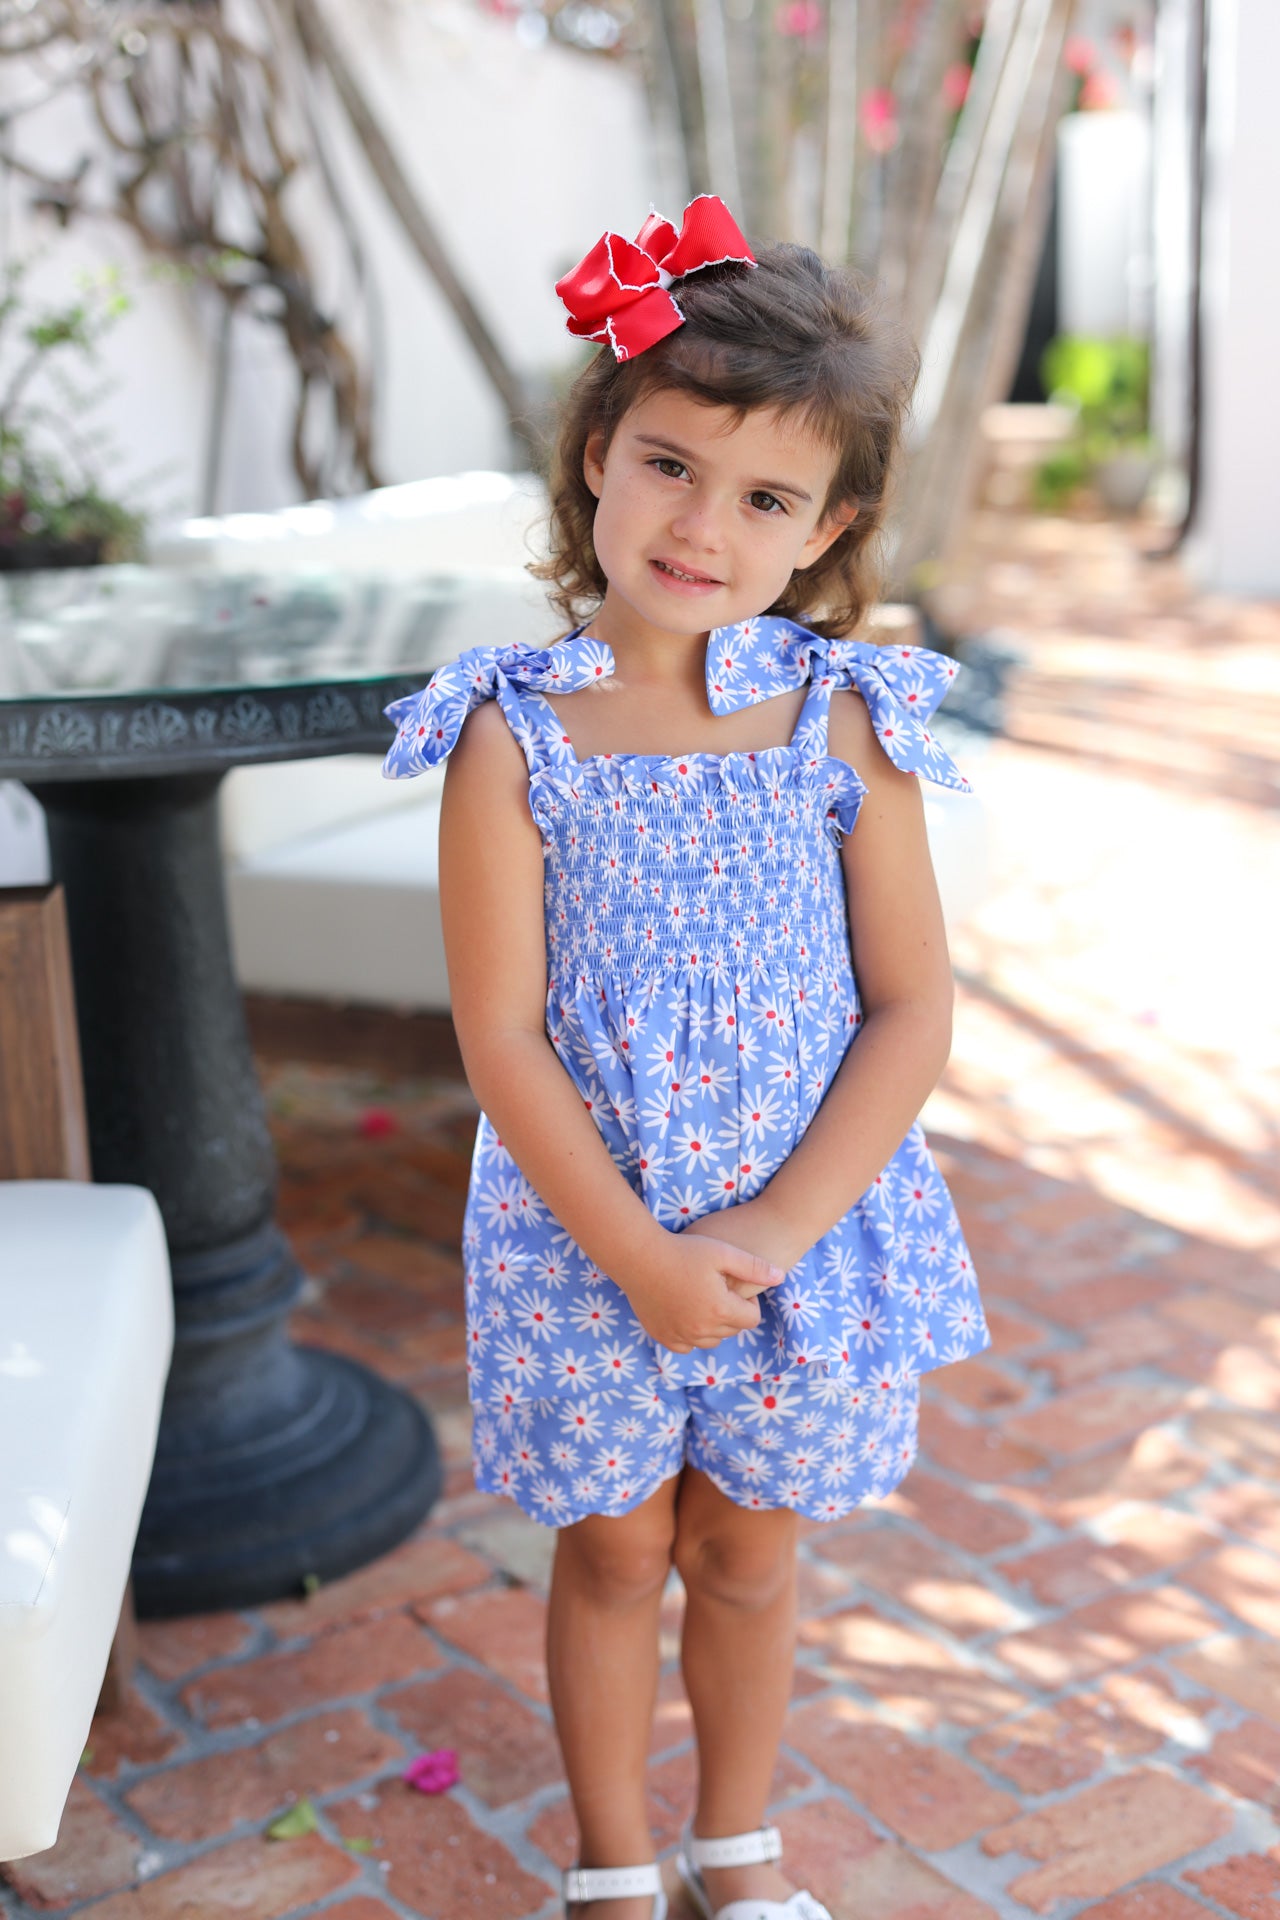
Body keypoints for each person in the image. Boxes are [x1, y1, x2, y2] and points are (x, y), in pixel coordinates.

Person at [383, 194, 991, 1920]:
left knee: (741, 1550)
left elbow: (913, 1007)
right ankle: (616, 1866)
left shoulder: (844, 721)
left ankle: (738, 1850)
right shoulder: (510, 734)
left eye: (766, 495)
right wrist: (641, 1254)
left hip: (801, 1232)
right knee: (613, 1545)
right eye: (668, 463)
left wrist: (778, 1233)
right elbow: (497, 1032)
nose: (703, 522)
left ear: (832, 523)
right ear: (597, 453)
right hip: (592, 1233)